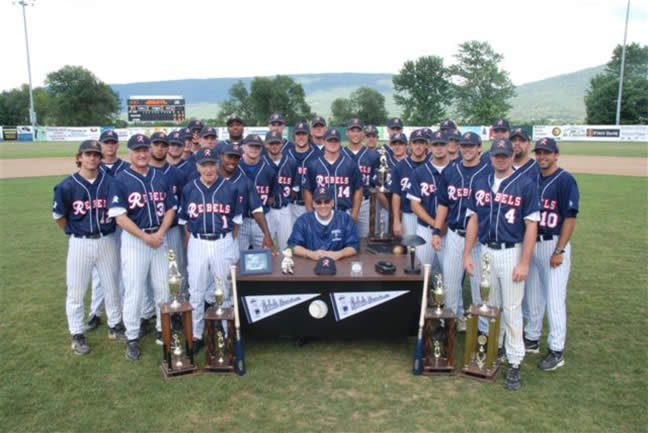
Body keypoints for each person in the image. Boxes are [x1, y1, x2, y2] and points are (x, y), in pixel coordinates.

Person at [462, 138, 540, 391]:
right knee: (489, 306)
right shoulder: (480, 181)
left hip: (511, 252)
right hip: (485, 250)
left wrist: (524, 262)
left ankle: (515, 362)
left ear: (512, 156)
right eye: (497, 155)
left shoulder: (525, 184)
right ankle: (493, 351)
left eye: (505, 155)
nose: (501, 159)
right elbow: (472, 219)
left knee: (512, 308)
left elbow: (531, 226)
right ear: (491, 156)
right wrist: (466, 254)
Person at [52, 140, 125, 355]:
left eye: (96, 154)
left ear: (100, 158)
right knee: (76, 290)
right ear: (79, 157)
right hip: (80, 242)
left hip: (107, 239)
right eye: (88, 154)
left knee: (112, 286)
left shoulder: (110, 183)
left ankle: (115, 325)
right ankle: (77, 333)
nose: (92, 158)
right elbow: (59, 217)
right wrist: (73, 231)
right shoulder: (67, 185)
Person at [108, 134, 176, 361]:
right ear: (129, 153)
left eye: (145, 149)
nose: (142, 154)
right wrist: (146, 237)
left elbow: (170, 209)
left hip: (159, 235)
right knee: (134, 290)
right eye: (137, 150)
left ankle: (161, 329)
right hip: (135, 240)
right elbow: (119, 217)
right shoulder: (120, 179)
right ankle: (132, 337)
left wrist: (160, 233)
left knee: (163, 288)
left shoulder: (160, 176)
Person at [179, 146, 242, 354]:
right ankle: (196, 334)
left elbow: (237, 222)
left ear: (218, 165)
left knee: (222, 290)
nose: (208, 169)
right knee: (196, 291)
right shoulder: (189, 188)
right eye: (204, 165)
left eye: (212, 165)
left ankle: (224, 330)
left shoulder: (231, 188)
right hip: (197, 241)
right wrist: (192, 244)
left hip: (222, 241)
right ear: (197, 167)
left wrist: (227, 242)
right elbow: (185, 222)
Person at [524, 138, 579, 371]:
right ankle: (532, 338)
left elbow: (570, 217)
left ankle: (557, 350)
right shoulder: (533, 177)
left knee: (555, 300)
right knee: (533, 295)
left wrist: (560, 249)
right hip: (532, 242)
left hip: (553, 242)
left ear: (556, 155)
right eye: (539, 152)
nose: (542, 156)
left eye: (547, 153)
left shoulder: (565, 179)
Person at [432, 132, 490, 334]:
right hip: (456, 235)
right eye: (464, 145)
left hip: (481, 240)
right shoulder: (451, 170)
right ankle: (446, 324)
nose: (467, 149)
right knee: (450, 282)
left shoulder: (490, 170)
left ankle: (482, 330)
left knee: (479, 286)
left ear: (479, 148)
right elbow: (443, 204)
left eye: (471, 146)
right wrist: (437, 230)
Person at [86, 129, 129, 332]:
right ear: (101, 145)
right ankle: (95, 312)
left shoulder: (126, 167)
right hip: (102, 227)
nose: (110, 146)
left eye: (113, 142)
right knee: (98, 274)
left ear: (117, 145)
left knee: (122, 271)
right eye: (106, 142)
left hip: (123, 227)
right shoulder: (94, 167)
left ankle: (120, 311)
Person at [408, 130, 449, 275]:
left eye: (442, 144)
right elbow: (414, 204)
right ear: (430, 147)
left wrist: (444, 226)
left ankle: (444, 299)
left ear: (448, 146)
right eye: (435, 144)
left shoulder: (456, 171)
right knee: (421, 272)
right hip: (425, 228)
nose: (438, 148)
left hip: (449, 230)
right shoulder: (419, 172)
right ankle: (423, 298)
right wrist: (435, 225)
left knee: (449, 275)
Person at [303, 128, 362, 222]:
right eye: (330, 140)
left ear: (340, 143)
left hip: (344, 213)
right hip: (319, 214)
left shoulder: (351, 165)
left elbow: (358, 190)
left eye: (336, 140)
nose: (333, 143)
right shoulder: (313, 165)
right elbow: (307, 190)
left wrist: (354, 213)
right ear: (324, 142)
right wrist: (310, 213)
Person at [288, 186, 360, 261]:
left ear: (332, 203)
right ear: (313, 204)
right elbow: (292, 246)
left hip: (339, 264)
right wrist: (310, 254)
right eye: (318, 202)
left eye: (326, 202)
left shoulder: (344, 219)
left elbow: (354, 246)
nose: (323, 206)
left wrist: (339, 254)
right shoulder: (303, 221)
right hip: (310, 264)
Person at [235, 135, 276, 251]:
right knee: (237, 257)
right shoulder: (235, 169)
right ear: (243, 147)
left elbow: (271, 197)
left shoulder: (269, 170)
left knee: (264, 256)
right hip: (240, 220)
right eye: (251, 146)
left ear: (261, 149)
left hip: (262, 220)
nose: (254, 149)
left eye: (257, 147)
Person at [341, 118, 379, 238]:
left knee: (364, 239)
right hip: (344, 201)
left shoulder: (373, 155)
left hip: (364, 202)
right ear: (347, 133)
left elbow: (377, 183)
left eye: (358, 130)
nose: (355, 134)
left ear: (363, 133)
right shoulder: (340, 154)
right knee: (342, 238)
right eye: (352, 130)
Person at [264, 130, 298, 251]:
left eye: (277, 143)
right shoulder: (261, 162)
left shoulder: (291, 162)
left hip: (285, 209)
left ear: (282, 143)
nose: (274, 146)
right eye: (271, 143)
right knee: (265, 247)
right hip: (267, 212)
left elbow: (295, 186)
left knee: (287, 247)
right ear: (266, 144)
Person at [391, 131, 427, 237]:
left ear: (426, 145)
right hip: (408, 213)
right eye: (415, 142)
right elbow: (396, 194)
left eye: (421, 142)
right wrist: (397, 220)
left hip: (428, 213)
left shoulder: (431, 164)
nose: (418, 146)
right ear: (410, 145)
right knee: (411, 249)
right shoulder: (400, 166)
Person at [287, 121, 318, 222]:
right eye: (298, 134)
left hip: (314, 205)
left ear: (309, 136)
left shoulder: (317, 155)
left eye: (304, 134)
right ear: (293, 136)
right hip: (290, 205)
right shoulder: (286, 155)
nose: (301, 137)